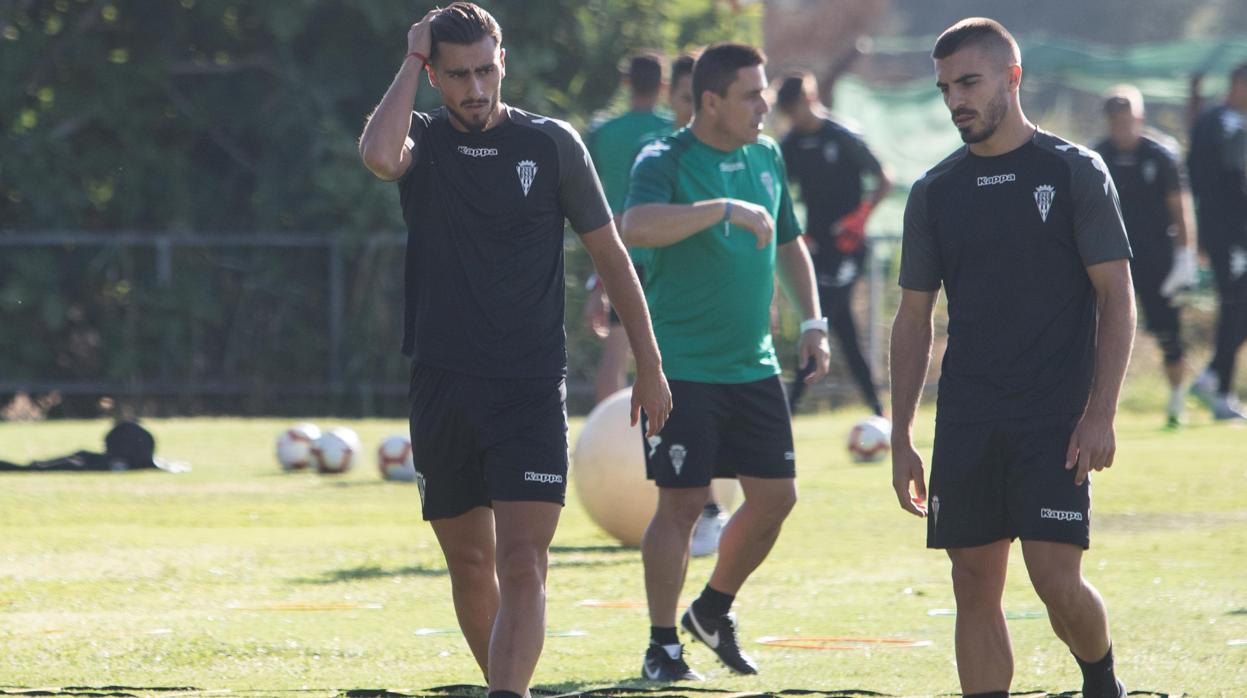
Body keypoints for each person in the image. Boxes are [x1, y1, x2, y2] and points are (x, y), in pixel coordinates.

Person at [357, 5, 672, 697]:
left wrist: (649, 365)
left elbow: (612, 257)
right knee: (469, 565)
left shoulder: (551, 144)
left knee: (523, 560)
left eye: (486, 70)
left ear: (503, 63)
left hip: (528, 385)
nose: (475, 88)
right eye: (458, 74)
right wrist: (410, 57)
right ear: (435, 75)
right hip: (440, 382)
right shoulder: (421, 139)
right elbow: (379, 159)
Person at [890, 19, 1133, 698]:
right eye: (944, 88)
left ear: (1011, 77)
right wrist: (901, 434)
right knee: (971, 582)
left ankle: (1099, 678)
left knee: (1055, 580)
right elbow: (912, 319)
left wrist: (1099, 414)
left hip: (1053, 418)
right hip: (967, 416)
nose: (954, 100)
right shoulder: (933, 192)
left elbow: (1116, 298)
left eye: (967, 82)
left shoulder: (1071, 171)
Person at [621, 42, 830, 681]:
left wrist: (814, 320)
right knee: (681, 507)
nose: (765, 106)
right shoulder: (665, 157)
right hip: (682, 365)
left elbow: (790, 242)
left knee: (776, 497)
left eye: (765, 92)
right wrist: (721, 210)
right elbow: (637, 225)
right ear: (710, 102)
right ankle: (663, 643)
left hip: (754, 365)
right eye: (750, 94)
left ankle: (711, 610)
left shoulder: (766, 154)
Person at [775, 71, 891, 417]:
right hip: (817, 250)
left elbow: (884, 178)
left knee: (821, 318)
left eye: (795, 110)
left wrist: (859, 218)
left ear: (809, 100)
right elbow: (779, 192)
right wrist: (796, 231)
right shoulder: (790, 146)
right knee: (842, 331)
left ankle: (788, 410)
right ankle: (877, 409)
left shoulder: (843, 136)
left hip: (849, 249)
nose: (793, 119)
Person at [1093, 87, 1199, 427]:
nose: (1121, 127)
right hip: (1109, 258)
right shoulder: (1097, 156)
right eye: (1114, 120)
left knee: (1168, 333)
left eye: (1126, 119)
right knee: (1098, 330)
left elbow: (1179, 207)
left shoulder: (1161, 155)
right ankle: (1093, 404)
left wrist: (1186, 257)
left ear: (1139, 118)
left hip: (1157, 258)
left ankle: (1176, 400)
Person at [582, 52, 673, 404]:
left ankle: (613, 435)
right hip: (666, 251)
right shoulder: (672, 131)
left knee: (617, 352)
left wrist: (596, 285)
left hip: (618, 251)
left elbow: (591, 203)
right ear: (664, 86)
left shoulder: (602, 132)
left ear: (625, 82)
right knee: (670, 351)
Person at [1187, 62, 1247, 421]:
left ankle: (1213, 378)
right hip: (1229, 234)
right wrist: (1203, 235)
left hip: (1237, 232)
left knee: (1240, 306)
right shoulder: (1220, 122)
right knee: (1236, 304)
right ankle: (1221, 390)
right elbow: (1204, 177)